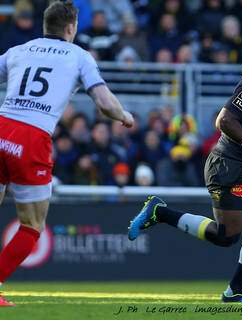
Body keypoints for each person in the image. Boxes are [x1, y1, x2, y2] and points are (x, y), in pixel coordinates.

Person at [128, 30, 242, 303]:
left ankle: (235, 293)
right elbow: (224, 122)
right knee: (226, 236)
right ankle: (159, 212)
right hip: (227, 165)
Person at [0, 0, 133, 306]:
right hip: (31, 138)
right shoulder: (79, 56)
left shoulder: (21, 49)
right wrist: (123, 115)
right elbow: (103, 101)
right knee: (32, 225)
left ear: (44, 26)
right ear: (71, 28)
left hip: (2, 126)